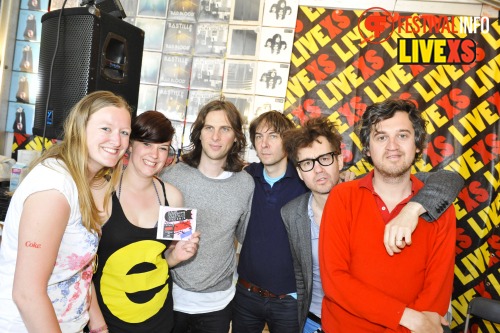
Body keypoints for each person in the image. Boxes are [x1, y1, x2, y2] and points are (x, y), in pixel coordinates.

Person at [281, 116, 463, 333]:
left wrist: (413, 209)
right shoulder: (298, 210)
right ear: (299, 172)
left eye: (325, 159)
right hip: (324, 321)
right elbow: (318, 278)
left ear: (340, 160)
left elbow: (436, 294)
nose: (318, 169)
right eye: (308, 163)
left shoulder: (432, 201)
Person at [0, 91, 132, 332]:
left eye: (124, 132)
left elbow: (77, 267)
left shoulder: (85, 179)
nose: (117, 140)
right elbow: (27, 294)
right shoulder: (54, 189)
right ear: (80, 128)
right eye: (106, 128)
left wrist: (98, 324)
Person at [91, 111, 200, 332]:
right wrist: (96, 323)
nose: (155, 155)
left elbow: (160, 260)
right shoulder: (99, 192)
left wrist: (177, 256)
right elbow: (81, 268)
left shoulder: (172, 197)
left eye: (162, 148)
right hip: (108, 321)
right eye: (147, 144)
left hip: (158, 319)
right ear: (130, 144)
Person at [159, 99, 254, 333]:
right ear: (199, 134)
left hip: (218, 304)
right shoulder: (173, 177)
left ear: (236, 138)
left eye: (225, 129)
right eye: (209, 128)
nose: (215, 137)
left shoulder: (245, 184)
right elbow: (160, 242)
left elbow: (244, 237)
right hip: (170, 297)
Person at [232, 111, 308, 333]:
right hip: (246, 294)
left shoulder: (304, 180)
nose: (264, 144)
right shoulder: (246, 178)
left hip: (288, 300)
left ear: (288, 140)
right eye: (258, 136)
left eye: (273, 136)